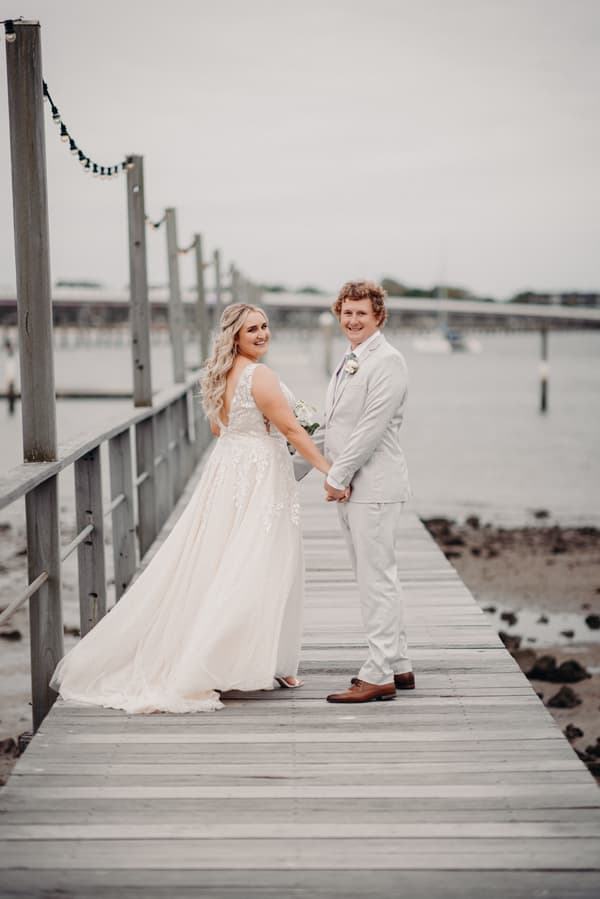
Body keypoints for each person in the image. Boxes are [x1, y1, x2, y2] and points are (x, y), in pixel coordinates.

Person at [51, 303, 335, 713]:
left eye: (265, 326)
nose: (261, 334)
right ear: (234, 336)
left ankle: (268, 660)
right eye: (252, 329)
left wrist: (263, 432)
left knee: (221, 558)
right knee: (262, 561)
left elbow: (220, 428)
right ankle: (238, 660)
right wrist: (329, 470)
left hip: (229, 469)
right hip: (258, 476)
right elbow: (290, 428)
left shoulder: (220, 374)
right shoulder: (260, 374)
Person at [295, 280, 413, 703]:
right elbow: (331, 425)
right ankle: (399, 664)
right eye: (346, 312)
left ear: (378, 316)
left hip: (375, 486)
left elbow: (370, 430)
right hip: (355, 485)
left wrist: (337, 477)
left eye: (361, 313)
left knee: (375, 580)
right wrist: (292, 469)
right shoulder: (350, 359)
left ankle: (378, 672)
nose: (352, 320)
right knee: (378, 575)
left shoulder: (388, 362)